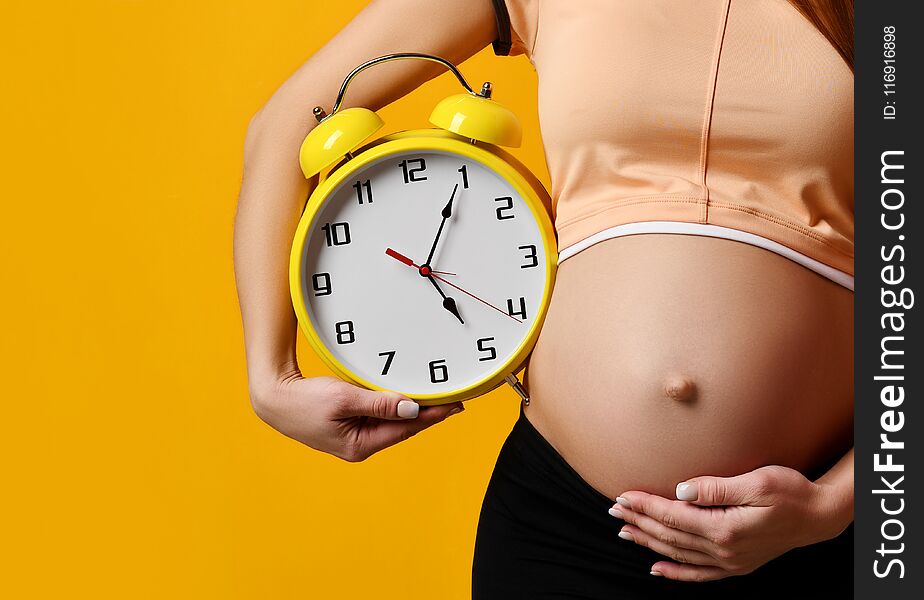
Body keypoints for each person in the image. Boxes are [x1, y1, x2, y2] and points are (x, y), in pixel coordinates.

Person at [233, 1, 855, 597]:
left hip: (824, 539)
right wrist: (272, 378)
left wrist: (835, 506)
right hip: (562, 533)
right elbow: (288, 119)